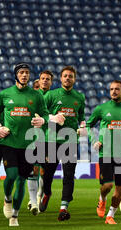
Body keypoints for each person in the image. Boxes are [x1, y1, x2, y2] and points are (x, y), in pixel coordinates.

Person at [0, 62, 49, 227]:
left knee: (22, 180)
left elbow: (45, 114)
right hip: (9, 142)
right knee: (11, 176)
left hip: (28, 145)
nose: (24, 75)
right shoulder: (5, 94)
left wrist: (42, 120)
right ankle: (7, 199)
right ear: (16, 75)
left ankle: (15, 216)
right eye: (21, 72)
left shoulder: (36, 95)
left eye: (26, 72)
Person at [86, 80, 121, 224]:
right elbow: (88, 125)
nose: (114, 91)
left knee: (120, 188)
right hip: (106, 153)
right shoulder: (102, 108)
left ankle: (110, 215)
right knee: (107, 186)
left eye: (117, 89)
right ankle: (102, 199)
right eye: (111, 89)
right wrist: (94, 140)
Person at [38, 66, 86, 221]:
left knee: (69, 175)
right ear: (61, 78)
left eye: (70, 76)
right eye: (65, 76)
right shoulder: (51, 95)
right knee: (48, 173)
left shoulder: (79, 97)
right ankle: (46, 193)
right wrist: (53, 117)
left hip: (70, 141)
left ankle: (64, 207)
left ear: (74, 79)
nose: (67, 78)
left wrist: (83, 126)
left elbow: (81, 117)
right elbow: (40, 114)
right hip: (51, 140)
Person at [27, 69, 54, 214]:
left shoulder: (53, 97)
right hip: (32, 138)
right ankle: (33, 199)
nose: (44, 82)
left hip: (49, 139)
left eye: (47, 79)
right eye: (41, 79)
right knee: (33, 169)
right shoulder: (31, 98)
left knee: (46, 171)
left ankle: (43, 193)